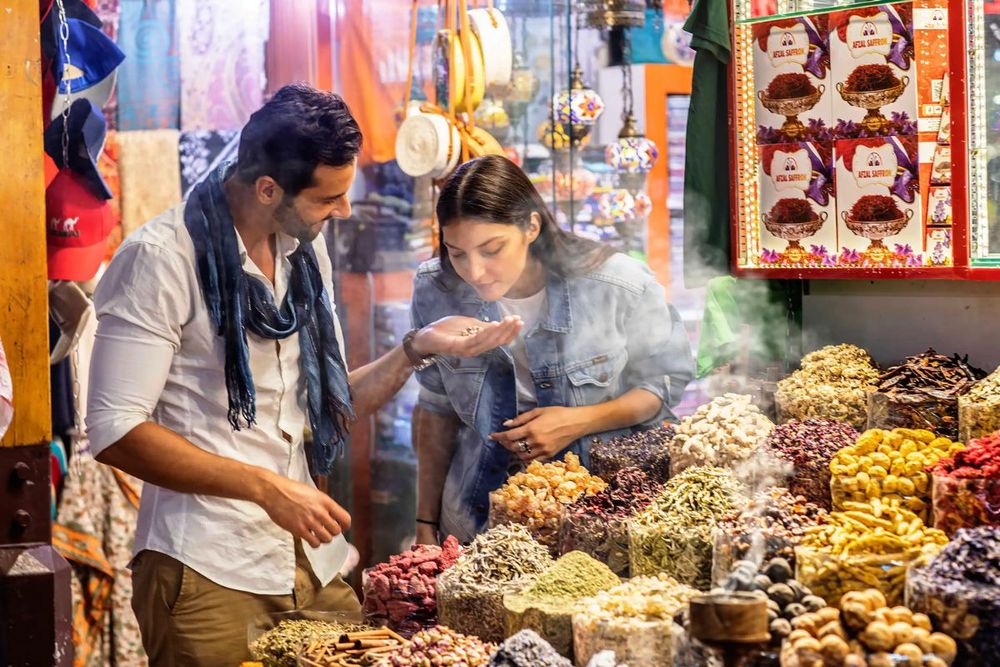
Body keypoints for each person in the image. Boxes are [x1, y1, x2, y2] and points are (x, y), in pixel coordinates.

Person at [85, 85, 521, 667]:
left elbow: (327, 402)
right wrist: (266, 487)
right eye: (328, 199)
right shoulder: (159, 261)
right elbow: (114, 431)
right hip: (207, 573)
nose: (342, 211)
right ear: (269, 189)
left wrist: (416, 349)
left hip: (311, 563)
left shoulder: (302, 253)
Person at [410, 155, 695, 545]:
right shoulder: (436, 289)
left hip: (601, 514)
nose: (474, 271)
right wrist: (425, 522)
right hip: (475, 518)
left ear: (531, 226)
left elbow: (661, 385)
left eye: (492, 249)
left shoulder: (616, 284)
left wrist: (580, 420)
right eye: (457, 252)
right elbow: (436, 411)